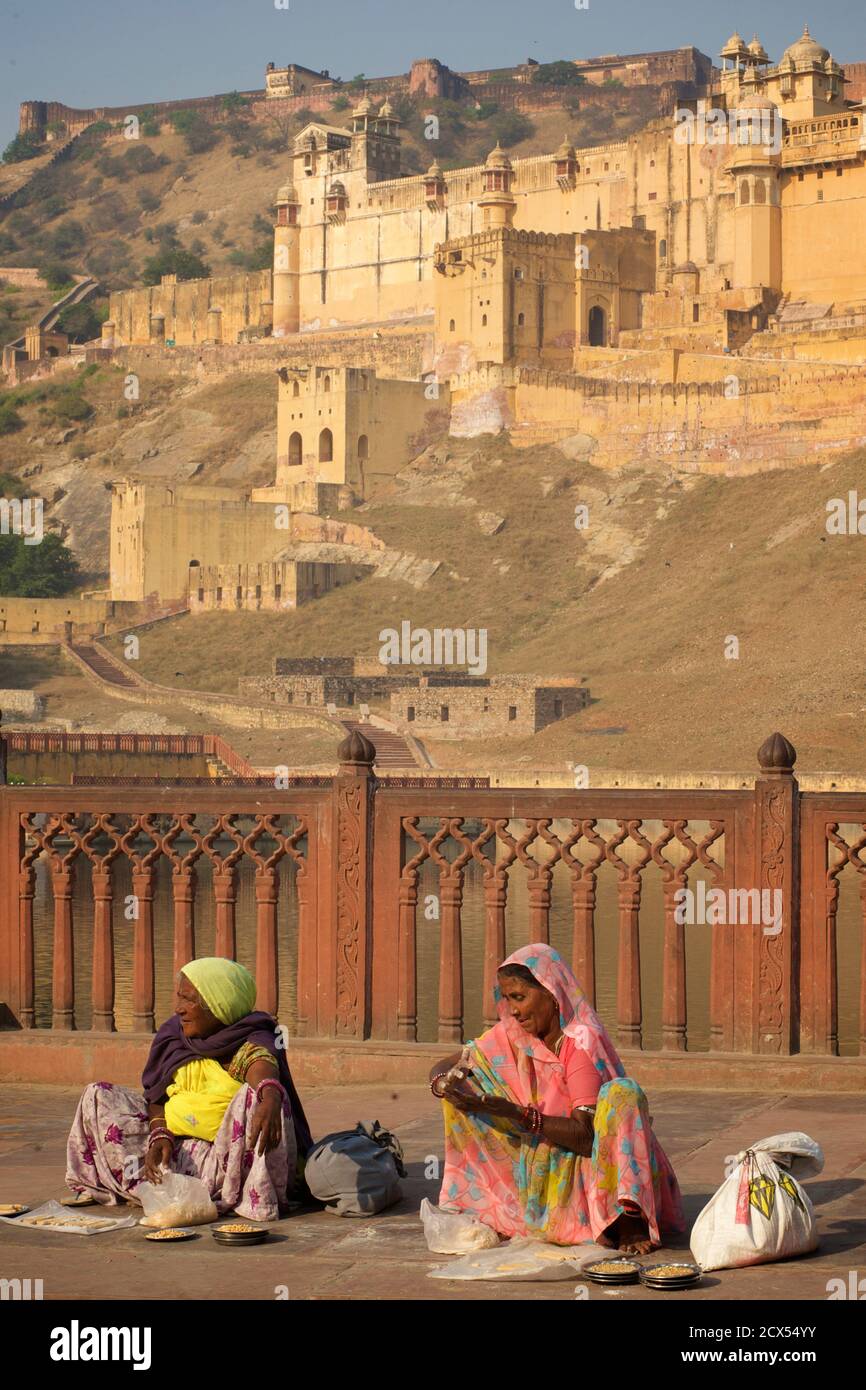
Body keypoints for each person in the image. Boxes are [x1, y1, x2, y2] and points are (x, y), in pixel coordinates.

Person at [429, 943, 684, 1252]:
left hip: (591, 1169)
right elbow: (453, 1062)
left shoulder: (580, 1041)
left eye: (520, 998)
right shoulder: (515, 1035)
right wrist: (444, 1083)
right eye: (507, 999)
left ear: (551, 994)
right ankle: (496, 1203)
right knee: (462, 1094)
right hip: (543, 1168)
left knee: (622, 1093)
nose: (513, 1010)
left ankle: (626, 1220)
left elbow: (584, 1137)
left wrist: (517, 1114)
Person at [65, 957, 312, 1221]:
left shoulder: (254, 1035)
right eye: (179, 997)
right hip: (169, 1150)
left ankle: (244, 1198)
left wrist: (270, 1092)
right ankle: (138, 1186)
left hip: (219, 1163)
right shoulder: (175, 1033)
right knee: (98, 1095)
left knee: (262, 1095)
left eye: (189, 1000)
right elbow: (156, 1095)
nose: (178, 1008)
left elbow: (260, 1062)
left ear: (218, 1004)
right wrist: (159, 1133)